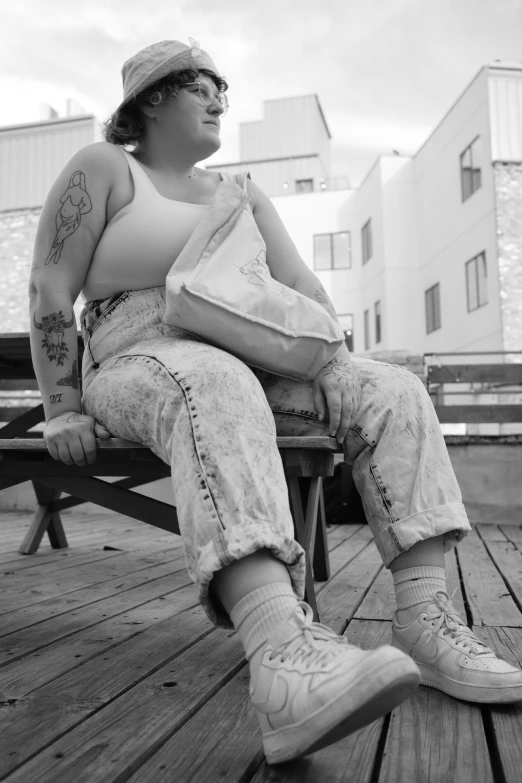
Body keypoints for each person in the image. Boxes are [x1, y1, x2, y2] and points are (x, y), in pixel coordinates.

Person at [28, 39, 522, 766]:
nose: (219, 96)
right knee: (215, 385)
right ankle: (282, 653)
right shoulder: (106, 169)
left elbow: (301, 290)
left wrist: (328, 354)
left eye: (223, 86)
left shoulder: (242, 192)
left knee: (392, 389)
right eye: (200, 84)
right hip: (137, 352)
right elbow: (50, 287)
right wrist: (63, 403)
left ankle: (426, 616)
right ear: (152, 99)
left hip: (253, 353)